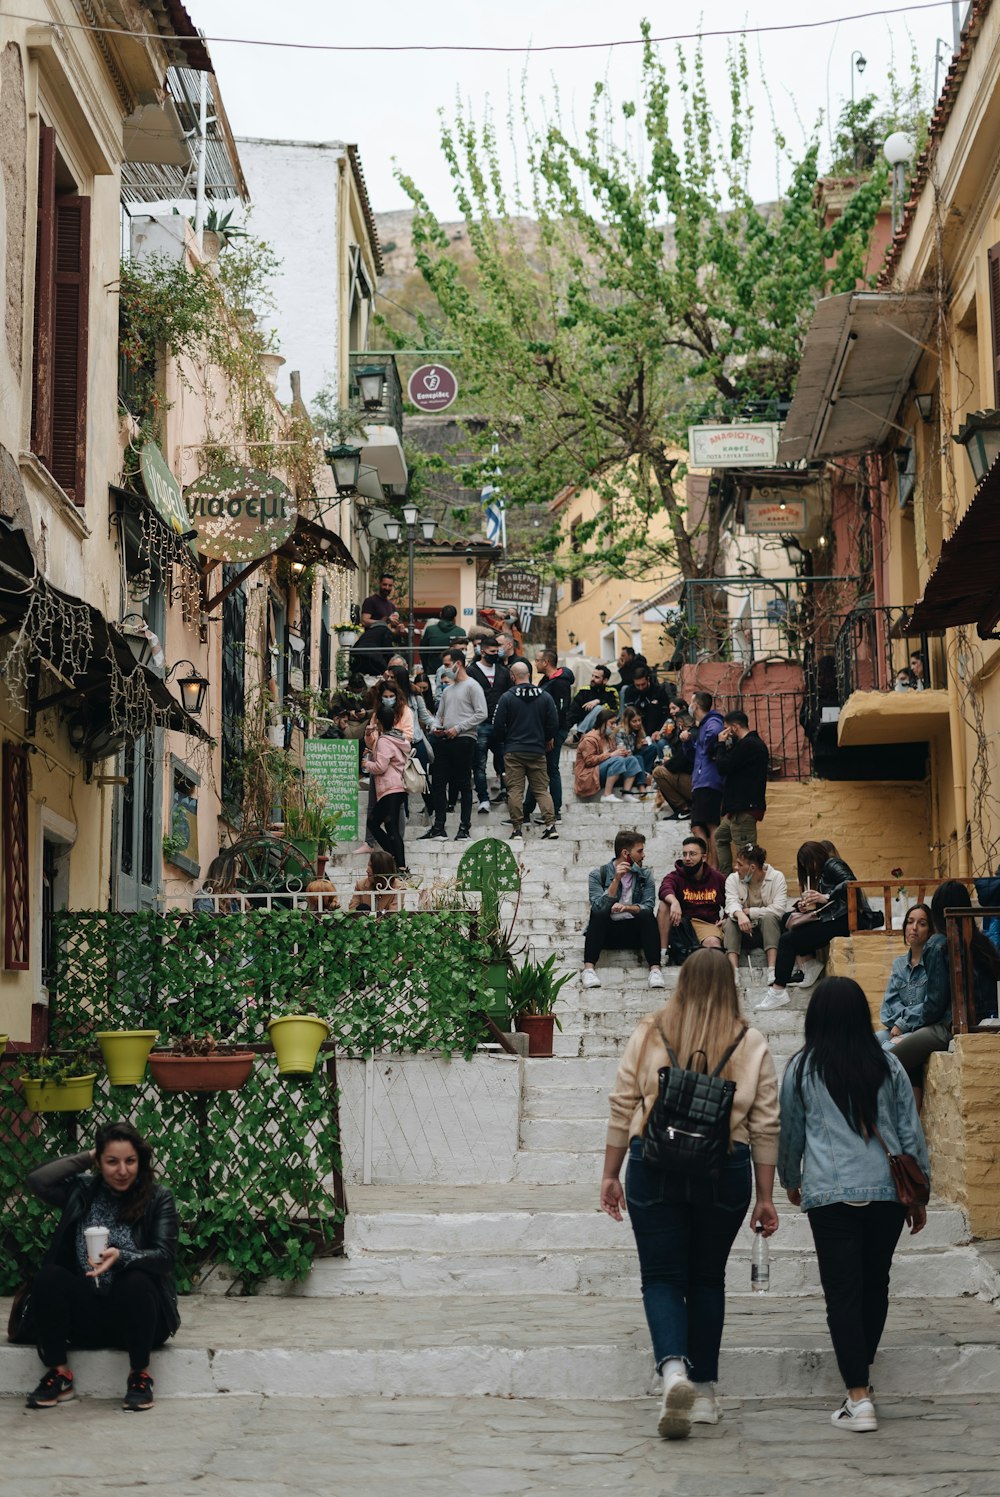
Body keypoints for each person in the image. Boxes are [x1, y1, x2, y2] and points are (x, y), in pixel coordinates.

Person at [601, 949, 779, 1440]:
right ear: (730, 984)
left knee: (660, 1277)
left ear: (681, 981)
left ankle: (673, 1371)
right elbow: (765, 1125)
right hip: (725, 1168)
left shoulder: (650, 1032)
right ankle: (703, 1394)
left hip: (653, 1164)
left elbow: (622, 1105)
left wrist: (610, 1173)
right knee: (706, 1279)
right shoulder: (752, 1041)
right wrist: (766, 1197)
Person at [778, 977, 929, 1434]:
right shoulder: (887, 1064)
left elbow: (790, 1129)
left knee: (842, 1293)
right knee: (874, 1285)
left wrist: (789, 1179)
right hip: (886, 1192)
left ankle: (858, 1396)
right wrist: (920, 1192)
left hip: (829, 1195)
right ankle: (860, 1374)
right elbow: (910, 1129)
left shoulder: (802, 1068)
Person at [23, 1121, 180, 1412]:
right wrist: (86, 1157)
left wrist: (122, 1256)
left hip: (137, 1315)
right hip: (88, 1311)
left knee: (136, 1280)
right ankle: (60, 1374)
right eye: (112, 1161)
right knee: (49, 1277)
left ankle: (139, 1375)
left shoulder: (159, 1198)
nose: (122, 1170)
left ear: (140, 1161)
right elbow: (37, 1180)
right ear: (99, 1162)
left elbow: (164, 1257)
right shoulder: (82, 1190)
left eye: (130, 1161)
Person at [883, 882, 1000, 1106]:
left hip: (948, 1027)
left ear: (937, 911)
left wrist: (907, 1024)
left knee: (886, 1062)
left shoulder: (938, 945)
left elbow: (934, 1006)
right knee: (909, 1056)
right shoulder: (981, 942)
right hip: (983, 1023)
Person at [757, 841, 877, 1012]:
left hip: (846, 920)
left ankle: (778, 990)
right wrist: (805, 906)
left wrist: (825, 897)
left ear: (815, 857)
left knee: (787, 940)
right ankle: (808, 964)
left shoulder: (832, 864)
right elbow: (828, 903)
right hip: (834, 917)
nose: (808, 868)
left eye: (808, 863)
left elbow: (850, 884)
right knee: (787, 919)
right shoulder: (821, 873)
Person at [582, 830, 664, 990]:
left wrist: (626, 907)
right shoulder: (598, 874)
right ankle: (588, 969)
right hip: (608, 933)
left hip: (636, 932)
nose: (643, 855)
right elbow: (598, 906)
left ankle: (655, 970)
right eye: (640, 851)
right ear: (626, 853)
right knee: (597, 913)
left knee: (647, 915)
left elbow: (648, 905)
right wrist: (616, 879)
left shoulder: (645, 875)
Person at [421, 651, 487, 842]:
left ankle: (464, 827)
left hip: (464, 739)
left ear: (458, 663)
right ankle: (439, 826)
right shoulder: (448, 690)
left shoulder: (473, 686)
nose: (446, 669)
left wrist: (458, 728)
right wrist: (435, 726)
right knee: (439, 782)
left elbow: (481, 713)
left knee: (463, 783)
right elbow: (439, 715)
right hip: (445, 739)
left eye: (448, 664)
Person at [490, 660, 559, 840]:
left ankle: (517, 829)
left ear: (512, 677)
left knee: (515, 790)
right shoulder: (544, 696)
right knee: (542, 790)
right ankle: (551, 826)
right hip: (537, 749)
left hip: (514, 750)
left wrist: (505, 740)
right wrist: (547, 738)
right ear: (529, 674)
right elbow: (553, 722)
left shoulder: (507, 697)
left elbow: (497, 725)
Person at [711, 711, 769, 876]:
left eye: (726, 729)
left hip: (744, 808)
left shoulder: (749, 744)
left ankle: (749, 890)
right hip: (737, 809)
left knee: (746, 855)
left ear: (734, 727)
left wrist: (721, 744)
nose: (725, 733)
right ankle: (727, 879)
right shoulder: (748, 744)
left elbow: (723, 767)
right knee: (720, 837)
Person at [722, 843, 789, 985]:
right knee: (730, 921)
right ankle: (733, 972)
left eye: (740, 865)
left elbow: (779, 909)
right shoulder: (733, 879)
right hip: (743, 931)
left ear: (752, 868)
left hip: (767, 931)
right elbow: (731, 903)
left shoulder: (776, 877)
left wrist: (750, 912)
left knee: (770, 917)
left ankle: (772, 970)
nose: (736, 867)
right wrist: (740, 914)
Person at [657, 835, 727, 965]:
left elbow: (730, 901)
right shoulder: (675, 876)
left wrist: (726, 918)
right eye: (685, 854)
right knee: (664, 904)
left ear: (704, 857)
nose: (687, 858)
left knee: (714, 945)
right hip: (681, 924)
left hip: (706, 924)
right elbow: (664, 889)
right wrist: (674, 902)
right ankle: (663, 953)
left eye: (692, 854)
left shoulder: (717, 878)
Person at [523, 648, 574, 823]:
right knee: (539, 769)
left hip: (554, 733)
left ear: (546, 662)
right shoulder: (547, 680)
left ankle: (555, 811)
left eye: (537, 660)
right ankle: (526, 810)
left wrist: (550, 736)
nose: (535, 663)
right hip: (546, 733)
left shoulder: (560, 683)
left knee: (551, 769)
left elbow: (559, 712)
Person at [362, 703, 410, 870]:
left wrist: (367, 764)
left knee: (375, 823)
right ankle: (398, 863)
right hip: (398, 788)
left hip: (390, 789)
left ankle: (399, 863)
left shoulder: (384, 740)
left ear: (379, 722)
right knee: (390, 828)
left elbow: (381, 767)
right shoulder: (398, 737)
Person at [467, 637, 512, 815]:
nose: (496, 654)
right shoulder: (471, 671)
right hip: (479, 725)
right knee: (479, 764)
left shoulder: (503, 671)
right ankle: (483, 799)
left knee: (505, 761)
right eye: (493, 652)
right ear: (483, 651)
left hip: (501, 725)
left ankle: (505, 790)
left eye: (497, 651)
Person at [684, 693, 725, 866]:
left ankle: (713, 866)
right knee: (697, 825)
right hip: (701, 780)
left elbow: (715, 735)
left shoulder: (712, 722)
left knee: (711, 825)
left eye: (691, 702)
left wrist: (708, 744)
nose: (689, 705)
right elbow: (695, 754)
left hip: (709, 780)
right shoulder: (702, 726)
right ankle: (707, 862)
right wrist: (687, 741)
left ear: (696, 705)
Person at [573, 710, 644, 802]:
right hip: (589, 776)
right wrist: (611, 754)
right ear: (602, 722)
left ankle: (626, 793)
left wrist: (623, 753)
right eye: (612, 723)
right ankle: (607, 794)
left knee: (632, 759)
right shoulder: (589, 739)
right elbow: (589, 761)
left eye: (615, 723)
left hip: (604, 773)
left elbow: (612, 757)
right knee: (618, 760)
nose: (614, 726)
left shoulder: (608, 738)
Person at [622, 667, 674, 769]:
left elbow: (666, 715)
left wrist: (659, 731)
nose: (640, 688)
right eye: (638, 685)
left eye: (643, 684)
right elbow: (628, 715)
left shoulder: (658, 691)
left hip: (657, 732)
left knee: (663, 745)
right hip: (638, 733)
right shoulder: (630, 692)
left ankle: (667, 770)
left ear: (648, 680)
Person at [652, 713, 695, 818]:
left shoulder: (689, 737)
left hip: (698, 785)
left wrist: (668, 762)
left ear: (680, 724)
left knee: (658, 772)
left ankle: (684, 809)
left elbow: (679, 762)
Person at [569, 664, 619, 738]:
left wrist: (598, 701)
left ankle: (579, 734)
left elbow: (615, 708)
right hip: (585, 726)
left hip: (605, 726)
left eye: (597, 677)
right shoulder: (583, 691)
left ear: (605, 680)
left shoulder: (611, 692)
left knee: (599, 708)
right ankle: (580, 734)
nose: (592, 679)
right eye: (592, 676)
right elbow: (573, 712)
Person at [349, 849, 405, 913]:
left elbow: (393, 915)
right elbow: (352, 912)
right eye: (368, 865)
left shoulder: (398, 887)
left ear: (381, 870)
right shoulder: (360, 885)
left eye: (371, 867)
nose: (367, 870)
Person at [420, 605, 465, 676]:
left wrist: (426, 669)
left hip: (433, 670)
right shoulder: (461, 632)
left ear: (441, 614)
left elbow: (422, 651)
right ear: (454, 617)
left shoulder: (430, 630)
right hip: (454, 671)